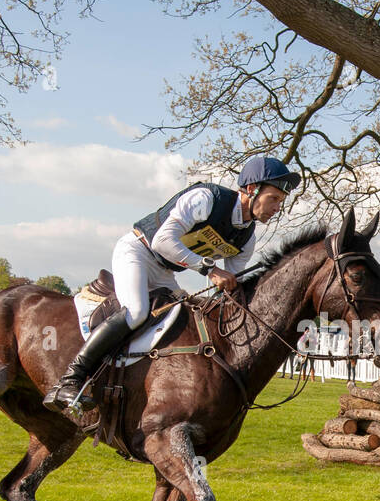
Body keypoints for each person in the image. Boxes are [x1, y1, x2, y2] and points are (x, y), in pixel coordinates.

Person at [44, 155, 300, 413]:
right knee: (136, 312)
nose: (278, 207)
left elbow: (231, 289)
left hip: (165, 270)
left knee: (184, 320)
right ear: (251, 189)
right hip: (138, 251)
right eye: (274, 198)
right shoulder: (206, 198)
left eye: (281, 201)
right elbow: (163, 241)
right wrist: (210, 270)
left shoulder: (246, 238)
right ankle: (70, 380)